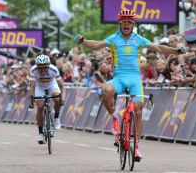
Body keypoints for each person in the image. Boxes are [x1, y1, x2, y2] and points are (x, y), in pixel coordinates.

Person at [74, 9, 184, 162]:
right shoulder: (113, 38)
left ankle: (137, 147)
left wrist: (174, 51)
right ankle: (114, 119)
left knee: (138, 110)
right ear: (120, 24)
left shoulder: (138, 39)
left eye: (129, 23)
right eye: (124, 22)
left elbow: (158, 48)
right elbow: (96, 45)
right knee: (105, 90)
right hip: (119, 78)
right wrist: (83, 41)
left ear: (133, 24)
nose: (126, 25)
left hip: (134, 80)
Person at [28, 55, 65, 144]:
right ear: (37, 67)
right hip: (39, 87)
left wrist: (63, 98)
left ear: (48, 66)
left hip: (52, 85)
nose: (42, 70)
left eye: (45, 68)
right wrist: (31, 100)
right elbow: (32, 87)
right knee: (40, 106)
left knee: (57, 99)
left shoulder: (54, 70)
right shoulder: (33, 71)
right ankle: (40, 133)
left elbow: (62, 86)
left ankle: (56, 118)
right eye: (40, 68)